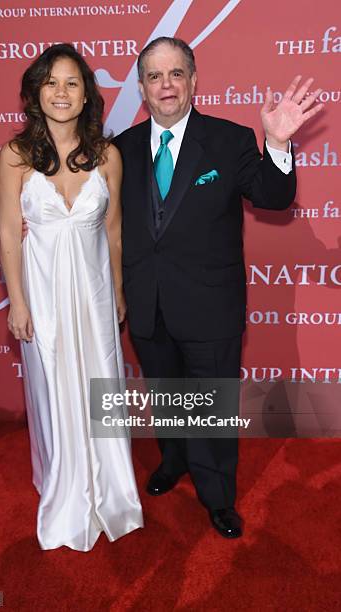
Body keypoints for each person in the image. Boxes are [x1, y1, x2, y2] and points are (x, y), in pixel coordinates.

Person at [113, 37, 323, 538]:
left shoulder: (229, 140)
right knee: (165, 396)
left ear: (193, 80)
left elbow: (273, 196)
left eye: (176, 73)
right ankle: (174, 460)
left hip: (210, 306)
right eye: (155, 76)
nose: (166, 84)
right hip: (147, 303)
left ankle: (217, 495)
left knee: (210, 407)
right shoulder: (119, 150)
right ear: (141, 87)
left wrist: (275, 144)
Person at [0, 43, 143, 552]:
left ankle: (111, 489)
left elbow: (116, 233)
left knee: (99, 387)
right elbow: (9, 236)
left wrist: (119, 293)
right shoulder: (15, 156)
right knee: (53, 389)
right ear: (37, 94)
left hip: (95, 295)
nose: (61, 91)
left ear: (86, 97)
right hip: (43, 296)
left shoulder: (108, 156)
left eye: (72, 82)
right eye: (51, 82)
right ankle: (63, 487)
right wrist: (17, 302)